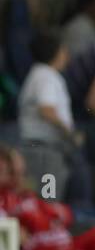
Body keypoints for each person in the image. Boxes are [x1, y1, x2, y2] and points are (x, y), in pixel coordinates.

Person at [18, 32, 78, 201]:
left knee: (44, 200)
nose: (67, 55)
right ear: (55, 51)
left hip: (41, 149)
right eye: (64, 50)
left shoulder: (40, 74)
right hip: (44, 151)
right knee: (47, 200)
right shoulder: (46, 76)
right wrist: (70, 133)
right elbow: (47, 109)